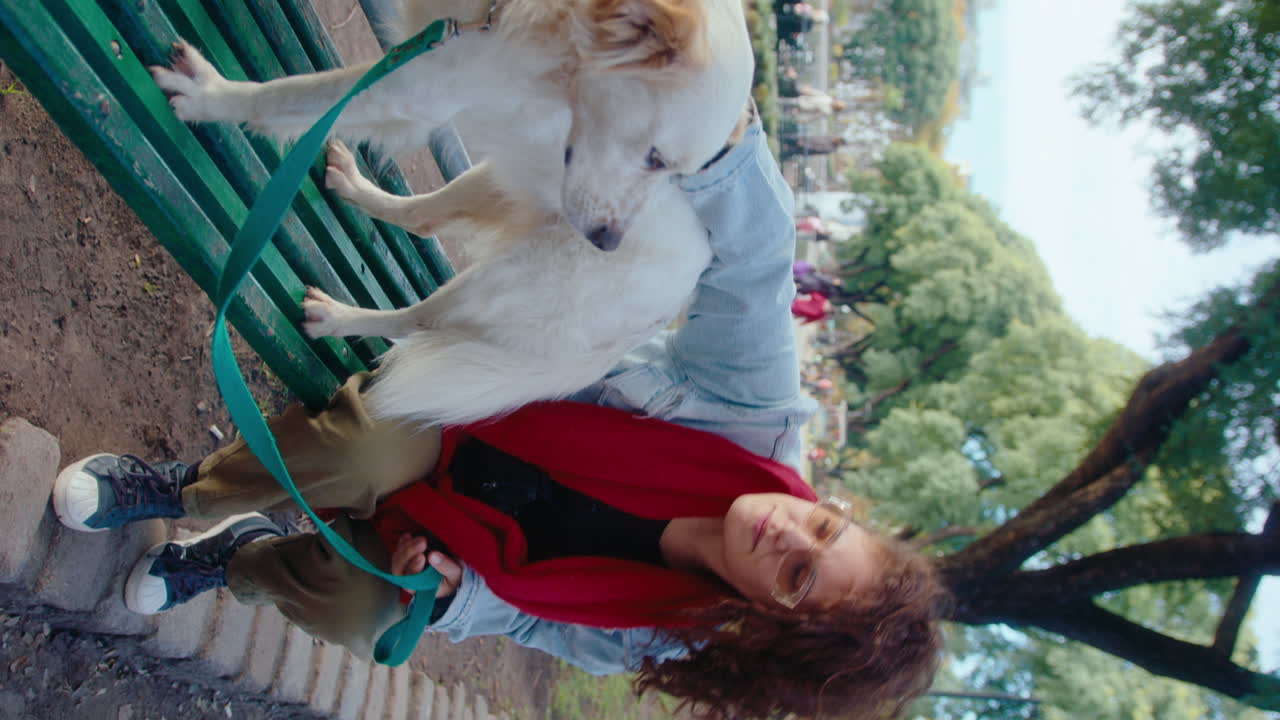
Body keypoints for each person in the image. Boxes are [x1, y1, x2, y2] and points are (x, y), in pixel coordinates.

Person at [51, 120, 946, 720]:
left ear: (768, 625)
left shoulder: (664, 629)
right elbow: (755, 263)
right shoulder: (755, 417)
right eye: (823, 526)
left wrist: (452, 592)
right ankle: (179, 489)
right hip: (480, 406)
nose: (788, 528)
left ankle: (236, 560)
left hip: (456, 539)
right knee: (367, 446)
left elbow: (523, 624)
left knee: (374, 615)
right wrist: (716, 128)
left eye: (795, 574)